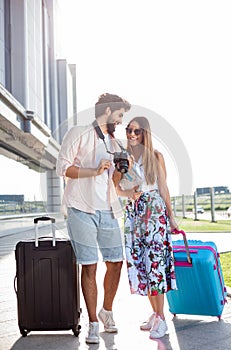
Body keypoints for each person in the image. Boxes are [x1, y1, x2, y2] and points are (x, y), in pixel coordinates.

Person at [56, 93, 131, 344]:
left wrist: (122, 170)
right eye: (119, 115)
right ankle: (93, 323)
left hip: (108, 209)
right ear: (108, 110)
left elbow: (112, 182)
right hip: (81, 209)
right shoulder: (78, 133)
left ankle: (106, 311)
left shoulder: (114, 143)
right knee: (90, 265)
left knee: (116, 262)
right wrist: (93, 170)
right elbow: (63, 168)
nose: (120, 121)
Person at [113, 116, 178, 340]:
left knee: (156, 266)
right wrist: (129, 192)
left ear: (145, 134)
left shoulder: (156, 156)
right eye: (129, 130)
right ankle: (155, 314)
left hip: (154, 215)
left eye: (137, 131)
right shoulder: (123, 158)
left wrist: (172, 217)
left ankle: (161, 318)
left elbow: (163, 188)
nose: (131, 134)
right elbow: (116, 188)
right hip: (134, 216)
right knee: (142, 266)